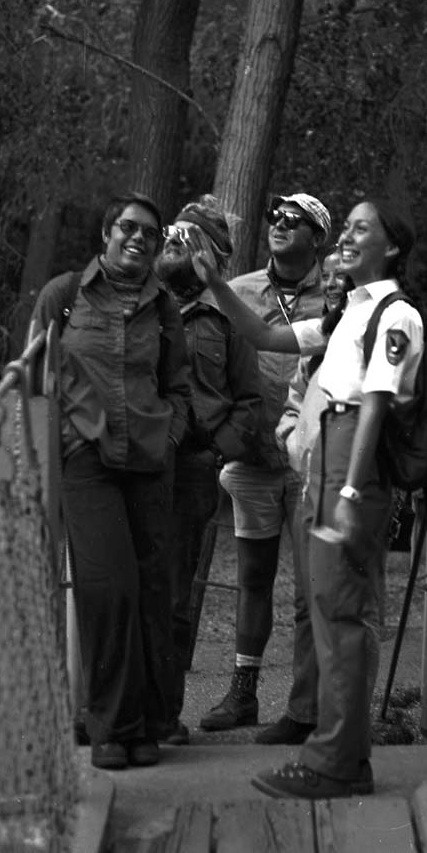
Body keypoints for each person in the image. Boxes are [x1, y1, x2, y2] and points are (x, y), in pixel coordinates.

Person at [187, 198, 424, 799]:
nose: (346, 236)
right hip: (327, 458)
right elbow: (263, 332)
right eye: (344, 227)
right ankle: (341, 755)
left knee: (343, 612)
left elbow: (375, 401)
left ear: (391, 246)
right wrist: (214, 281)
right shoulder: (347, 313)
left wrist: (347, 488)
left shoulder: (396, 316)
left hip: (350, 462)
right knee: (327, 606)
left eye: (361, 228)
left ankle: (336, 761)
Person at [27, 191, 191, 772]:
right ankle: (109, 726)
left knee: (151, 592)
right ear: (106, 234)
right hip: (86, 459)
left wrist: (170, 436)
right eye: (129, 227)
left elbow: (180, 388)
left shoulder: (165, 308)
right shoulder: (64, 297)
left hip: (149, 463)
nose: (140, 239)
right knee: (107, 586)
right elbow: (27, 375)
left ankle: (146, 726)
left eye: (152, 232)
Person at [197, 193, 333, 743]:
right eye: (275, 216)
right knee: (252, 579)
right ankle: (243, 692)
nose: (278, 223)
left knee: (310, 588)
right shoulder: (240, 290)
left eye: (293, 220)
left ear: (318, 238)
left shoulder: (339, 298)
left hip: (310, 459)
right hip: (252, 457)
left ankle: (306, 707)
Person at [153, 195, 262, 746]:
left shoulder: (227, 321)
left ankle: (162, 715)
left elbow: (250, 400)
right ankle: (114, 709)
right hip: (134, 465)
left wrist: (216, 447)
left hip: (190, 471)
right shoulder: (134, 301)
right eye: (170, 231)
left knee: (173, 596)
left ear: (211, 258)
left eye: (187, 236)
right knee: (121, 586)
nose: (174, 239)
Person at [261, 249, 349, 745]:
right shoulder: (321, 337)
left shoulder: (371, 329)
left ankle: (336, 718)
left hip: (347, 483)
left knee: (340, 602)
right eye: (329, 274)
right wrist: (290, 434)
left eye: (342, 274)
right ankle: (302, 710)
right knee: (304, 600)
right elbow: (297, 396)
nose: (333, 282)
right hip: (307, 481)